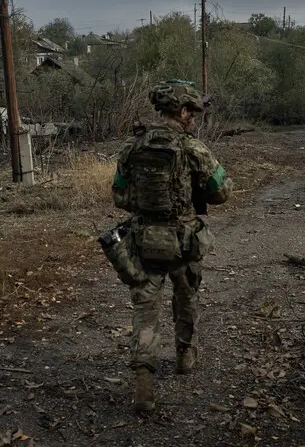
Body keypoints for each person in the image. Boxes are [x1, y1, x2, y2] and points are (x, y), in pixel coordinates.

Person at [109, 79, 232, 414]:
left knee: (145, 312)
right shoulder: (194, 149)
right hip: (183, 241)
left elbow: (119, 195)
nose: (193, 117)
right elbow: (222, 192)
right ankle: (184, 356)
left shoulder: (132, 147)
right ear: (181, 111)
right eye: (191, 111)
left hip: (143, 243)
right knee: (186, 297)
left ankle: (144, 388)